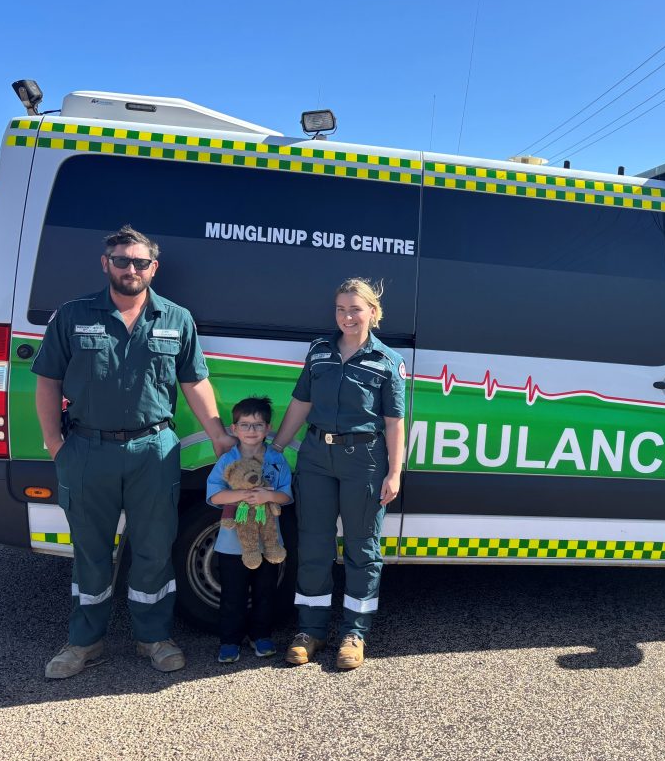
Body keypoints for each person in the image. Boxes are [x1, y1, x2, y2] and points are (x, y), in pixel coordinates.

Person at [33, 225, 235, 679]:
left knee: (154, 548)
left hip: (153, 451)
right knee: (90, 551)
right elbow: (47, 381)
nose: (131, 269)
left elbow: (195, 381)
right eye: (121, 260)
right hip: (87, 448)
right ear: (106, 263)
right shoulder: (73, 315)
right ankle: (84, 642)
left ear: (153, 268)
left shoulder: (176, 318)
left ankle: (154, 638)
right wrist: (54, 443)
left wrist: (219, 436)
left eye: (140, 262)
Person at [271, 278, 406, 670]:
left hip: (364, 460)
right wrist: (276, 449)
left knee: (362, 548)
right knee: (314, 544)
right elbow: (301, 403)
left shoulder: (387, 361)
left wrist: (394, 472)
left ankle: (354, 633)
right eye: (341, 309)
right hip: (316, 457)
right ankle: (309, 631)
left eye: (355, 309)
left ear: (372, 313)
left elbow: (394, 422)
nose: (347, 317)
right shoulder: (319, 352)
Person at [206, 396, 292, 663]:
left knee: (265, 592)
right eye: (245, 424)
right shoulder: (227, 461)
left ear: (268, 429)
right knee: (233, 594)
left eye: (258, 425)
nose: (251, 430)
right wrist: (242, 495)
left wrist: (268, 496)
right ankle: (229, 641)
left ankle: (261, 636)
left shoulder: (277, 460)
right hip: (232, 543)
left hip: (268, 542)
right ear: (234, 429)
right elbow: (214, 495)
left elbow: (286, 496)